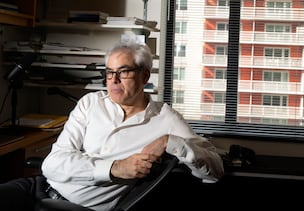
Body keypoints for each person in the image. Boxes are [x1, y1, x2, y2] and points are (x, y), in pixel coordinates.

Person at [0, 40, 224, 210]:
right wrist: (115, 168)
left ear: (144, 76)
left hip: (75, 207)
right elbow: (52, 164)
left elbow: (214, 171)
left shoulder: (166, 119)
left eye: (123, 72)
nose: (113, 80)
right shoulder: (90, 103)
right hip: (38, 187)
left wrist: (170, 141)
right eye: (109, 73)